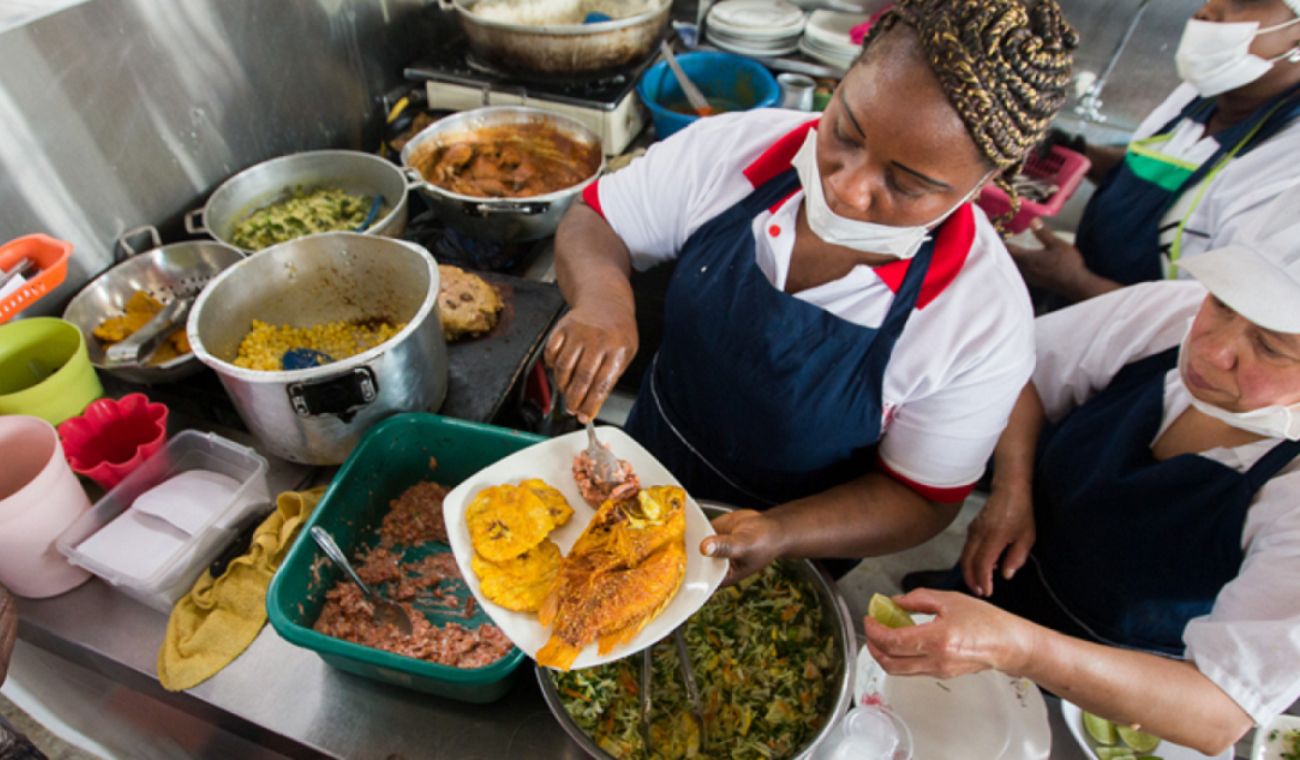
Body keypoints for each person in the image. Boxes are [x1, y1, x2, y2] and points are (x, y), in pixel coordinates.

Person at [544, 0, 1077, 582]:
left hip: (783, 555)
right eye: (845, 131)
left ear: (981, 184)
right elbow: (598, 220)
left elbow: (922, 499)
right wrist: (603, 300)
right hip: (642, 464)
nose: (848, 189)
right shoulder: (737, 151)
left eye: (905, 184)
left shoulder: (980, 320)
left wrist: (781, 532)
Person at [866, 185, 1300, 755]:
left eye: (1268, 347)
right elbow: (1020, 371)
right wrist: (1012, 490)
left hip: (1109, 687)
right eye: (1222, 305)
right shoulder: (1166, 315)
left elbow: (1217, 712)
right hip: (993, 583)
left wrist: (1018, 648)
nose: (1213, 350)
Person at [1011, 0, 1300, 303]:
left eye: (1241, 3)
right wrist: (1080, 151)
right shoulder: (1203, 91)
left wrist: (1076, 282)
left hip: (1137, 343)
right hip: (1075, 304)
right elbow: (1151, 176)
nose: (1206, 11)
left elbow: (1212, 318)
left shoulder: (1287, 168)